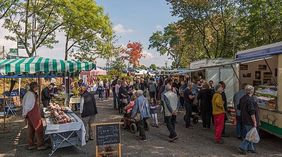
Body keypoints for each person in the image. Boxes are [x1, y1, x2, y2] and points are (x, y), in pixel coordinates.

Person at [22, 82, 48, 150]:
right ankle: (40, 145)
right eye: (37, 87)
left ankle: (31, 144)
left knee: (31, 129)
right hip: (32, 113)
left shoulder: (29, 93)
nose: (38, 88)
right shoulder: (30, 94)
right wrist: (24, 114)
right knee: (39, 128)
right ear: (34, 87)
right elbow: (27, 106)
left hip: (30, 113)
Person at [238, 85, 259, 154]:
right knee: (250, 135)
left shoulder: (242, 98)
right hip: (249, 120)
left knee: (250, 134)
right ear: (252, 91)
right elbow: (252, 112)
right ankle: (242, 147)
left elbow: (239, 107)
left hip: (244, 118)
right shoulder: (250, 99)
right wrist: (255, 121)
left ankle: (251, 148)